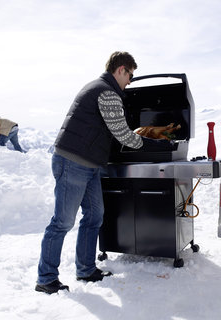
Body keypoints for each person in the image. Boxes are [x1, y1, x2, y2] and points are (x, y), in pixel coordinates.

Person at [35, 51, 175, 294]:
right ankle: (46, 279)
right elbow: (123, 134)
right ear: (121, 69)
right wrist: (157, 144)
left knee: (94, 216)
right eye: (130, 75)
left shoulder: (102, 88)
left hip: (90, 164)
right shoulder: (107, 92)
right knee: (62, 222)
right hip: (73, 162)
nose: (130, 81)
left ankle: (86, 269)